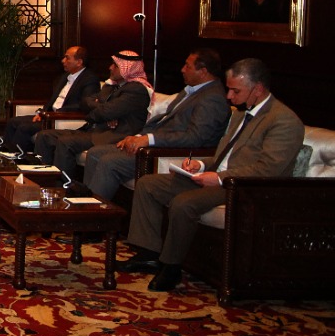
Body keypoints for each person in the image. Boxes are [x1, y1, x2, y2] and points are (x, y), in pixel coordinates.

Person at [120, 58, 304, 292]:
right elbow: (224, 154)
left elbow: (268, 170)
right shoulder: (241, 114)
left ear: (258, 88)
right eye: (229, 89)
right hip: (217, 177)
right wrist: (199, 164)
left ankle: (171, 267)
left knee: (184, 203)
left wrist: (218, 178)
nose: (229, 96)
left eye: (235, 91)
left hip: (244, 189)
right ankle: (149, 253)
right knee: (148, 185)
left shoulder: (283, 121)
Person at [82, 49, 231, 200]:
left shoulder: (212, 98)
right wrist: (138, 137)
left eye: (188, 66)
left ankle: (95, 209)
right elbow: (161, 121)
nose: (182, 69)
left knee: (109, 161)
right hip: (153, 145)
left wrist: (149, 140)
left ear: (203, 71)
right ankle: (84, 202)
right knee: (96, 153)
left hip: (165, 152)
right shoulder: (191, 90)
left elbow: (194, 138)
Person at [33, 50, 151, 180]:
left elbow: (105, 112)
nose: (110, 68)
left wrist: (101, 110)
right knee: (45, 136)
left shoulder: (136, 90)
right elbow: (85, 102)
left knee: (65, 142)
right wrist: (103, 111)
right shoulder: (110, 86)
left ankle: (62, 186)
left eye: (115, 65)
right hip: (93, 129)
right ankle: (41, 180)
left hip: (111, 135)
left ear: (128, 69)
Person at [3, 46, 100, 153]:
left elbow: (85, 104)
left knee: (24, 128)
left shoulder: (90, 79)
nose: (63, 61)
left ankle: (17, 158)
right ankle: (5, 155)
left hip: (60, 118)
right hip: (49, 115)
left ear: (79, 62)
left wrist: (54, 114)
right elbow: (53, 100)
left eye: (67, 58)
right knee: (12, 122)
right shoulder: (65, 76)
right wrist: (42, 112)